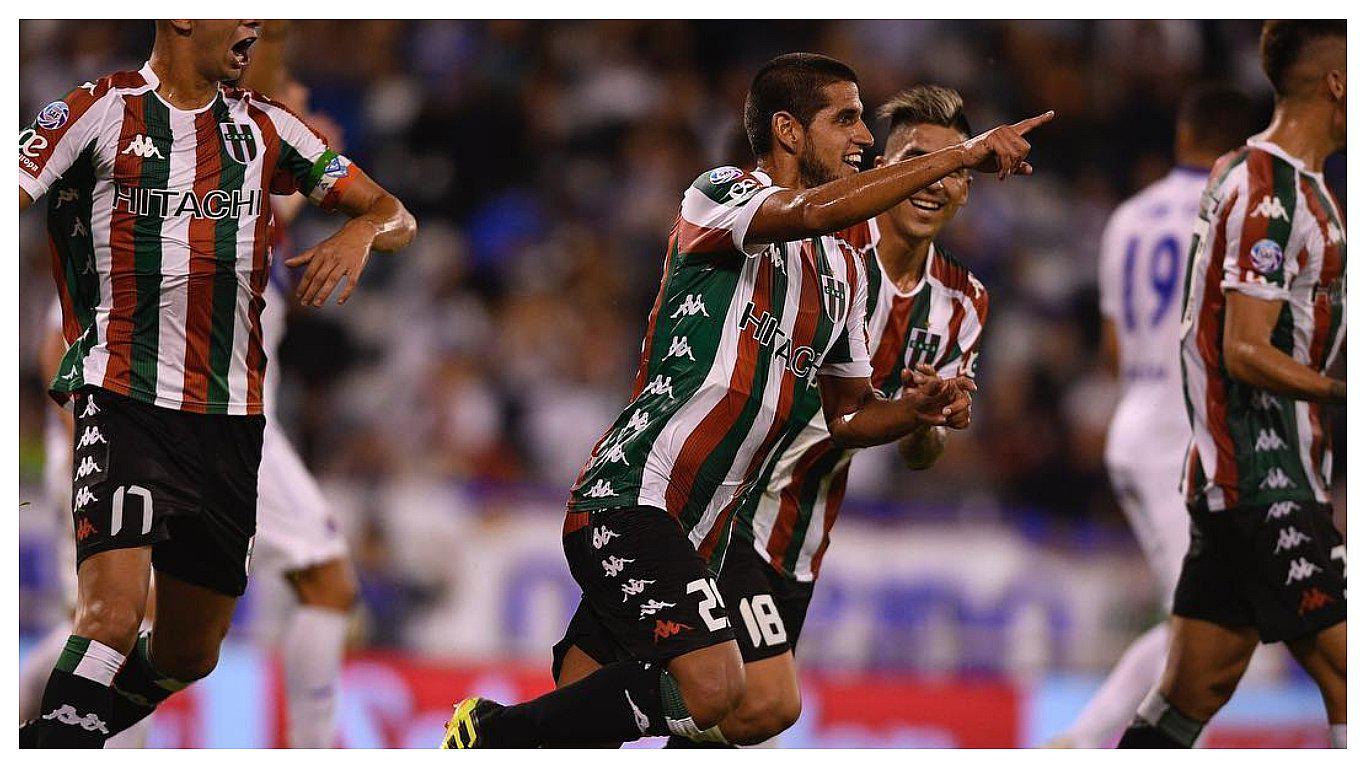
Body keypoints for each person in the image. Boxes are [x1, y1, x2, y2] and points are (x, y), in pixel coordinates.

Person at [440, 52, 1050, 749]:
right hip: (637, 493)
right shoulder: (721, 193)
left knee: (579, 718)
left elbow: (848, 413)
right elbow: (812, 208)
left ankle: (506, 742)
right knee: (721, 690)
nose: (863, 138)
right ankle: (491, 734)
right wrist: (958, 156)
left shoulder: (844, 269)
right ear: (788, 131)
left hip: (707, 531)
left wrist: (921, 410)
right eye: (845, 119)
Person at [18, 19, 416, 748]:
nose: (252, 27)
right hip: (124, 397)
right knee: (110, 618)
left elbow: (395, 212)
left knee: (188, 653)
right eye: (237, 14)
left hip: (231, 422)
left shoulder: (267, 128)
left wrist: (362, 230)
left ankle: (39, 734)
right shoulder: (97, 109)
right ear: (180, 16)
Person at [668, 84, 990, 747]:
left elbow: (921, 452)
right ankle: (564, 719)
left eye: (954, 167)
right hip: (732, 509)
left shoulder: (963, 302)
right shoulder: (822, 242)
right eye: (914, 159)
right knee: (765, 704)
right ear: (880, 169)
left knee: (736, 728)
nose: (933, 182)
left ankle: (571, 716)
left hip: (800, 542)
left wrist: (929, 418)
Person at [1117, 20, 1346, 749]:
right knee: (1352, 675)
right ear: (1338, 83)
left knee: (1192, 691)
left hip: (1254, 474)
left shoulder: (1280, 181)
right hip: (1259, 475)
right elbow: (1244, 348)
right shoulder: (1269, 189)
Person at [1046, 84, 1257, 749]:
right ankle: (1082, 743)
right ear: (1244, 149)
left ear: (1180, 137)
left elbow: (1114, 350)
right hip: (1182, 437)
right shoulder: (1238, 211)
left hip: (1134, 419)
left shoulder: (1129, 216)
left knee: (1209, 626)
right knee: (1205, 630)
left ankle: (1088, 742)